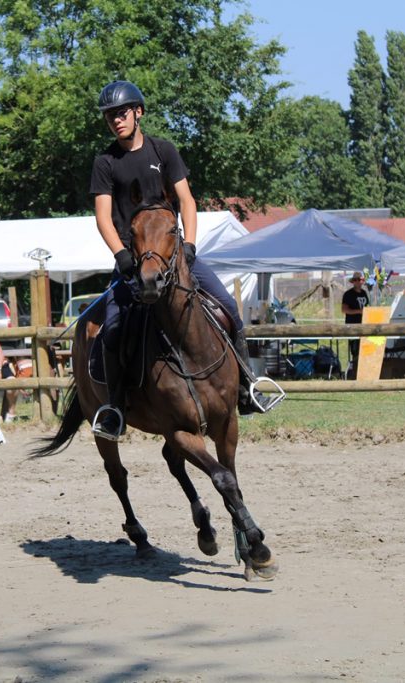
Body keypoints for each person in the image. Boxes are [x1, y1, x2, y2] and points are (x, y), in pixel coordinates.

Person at [88, 79, 277, 440]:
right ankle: (114, 408)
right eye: (110, 116)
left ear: (138, 112)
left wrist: (189, 245)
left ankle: (247, 389)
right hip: (132, 263)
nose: (116, 120)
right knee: (111, 329)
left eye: (122, 113)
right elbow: (102, 217)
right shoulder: (105, 163)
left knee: (229, 310)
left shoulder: (164, 151)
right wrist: (122, 256)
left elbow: (187, 201)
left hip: (176, 256)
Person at [341, 272, 370, 373]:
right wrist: (359, 311)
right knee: (355, 349)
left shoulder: (364, 293)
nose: (358, 282)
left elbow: (367, 307)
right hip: (352, 325)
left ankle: (364, 369)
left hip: (364, 325)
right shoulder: (348, 294)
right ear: (353, 281)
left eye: (360, 280)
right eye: (356, 280)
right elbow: (344, 310)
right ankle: (355, 371)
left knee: (365, 348)